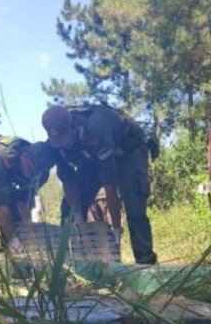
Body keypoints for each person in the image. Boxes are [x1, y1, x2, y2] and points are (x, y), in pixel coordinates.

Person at [42, 104, 157, 264]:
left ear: (73, 126)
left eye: (66, 138)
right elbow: (68, 181)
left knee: (134, 204)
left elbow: (110, 189)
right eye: (59, 141)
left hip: (128, 150)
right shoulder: (56, 145)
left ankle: (145, 262)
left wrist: (116, 232)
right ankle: (71, 261)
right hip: (94, 156)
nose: (64, 145)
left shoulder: (95, 130)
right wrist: (78, 217)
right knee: (69, 207)